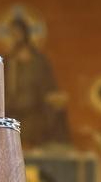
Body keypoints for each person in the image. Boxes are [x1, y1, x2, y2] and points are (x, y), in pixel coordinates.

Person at [4, 16, 70, 148]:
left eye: (18, 33)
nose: (16, 37)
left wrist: (52, 98)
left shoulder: (38, 60)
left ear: (25, 33)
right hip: (13, 113)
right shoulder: (9, 61)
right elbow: (4, 88)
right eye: (13, 33)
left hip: (35, 114)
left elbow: (48, 86)